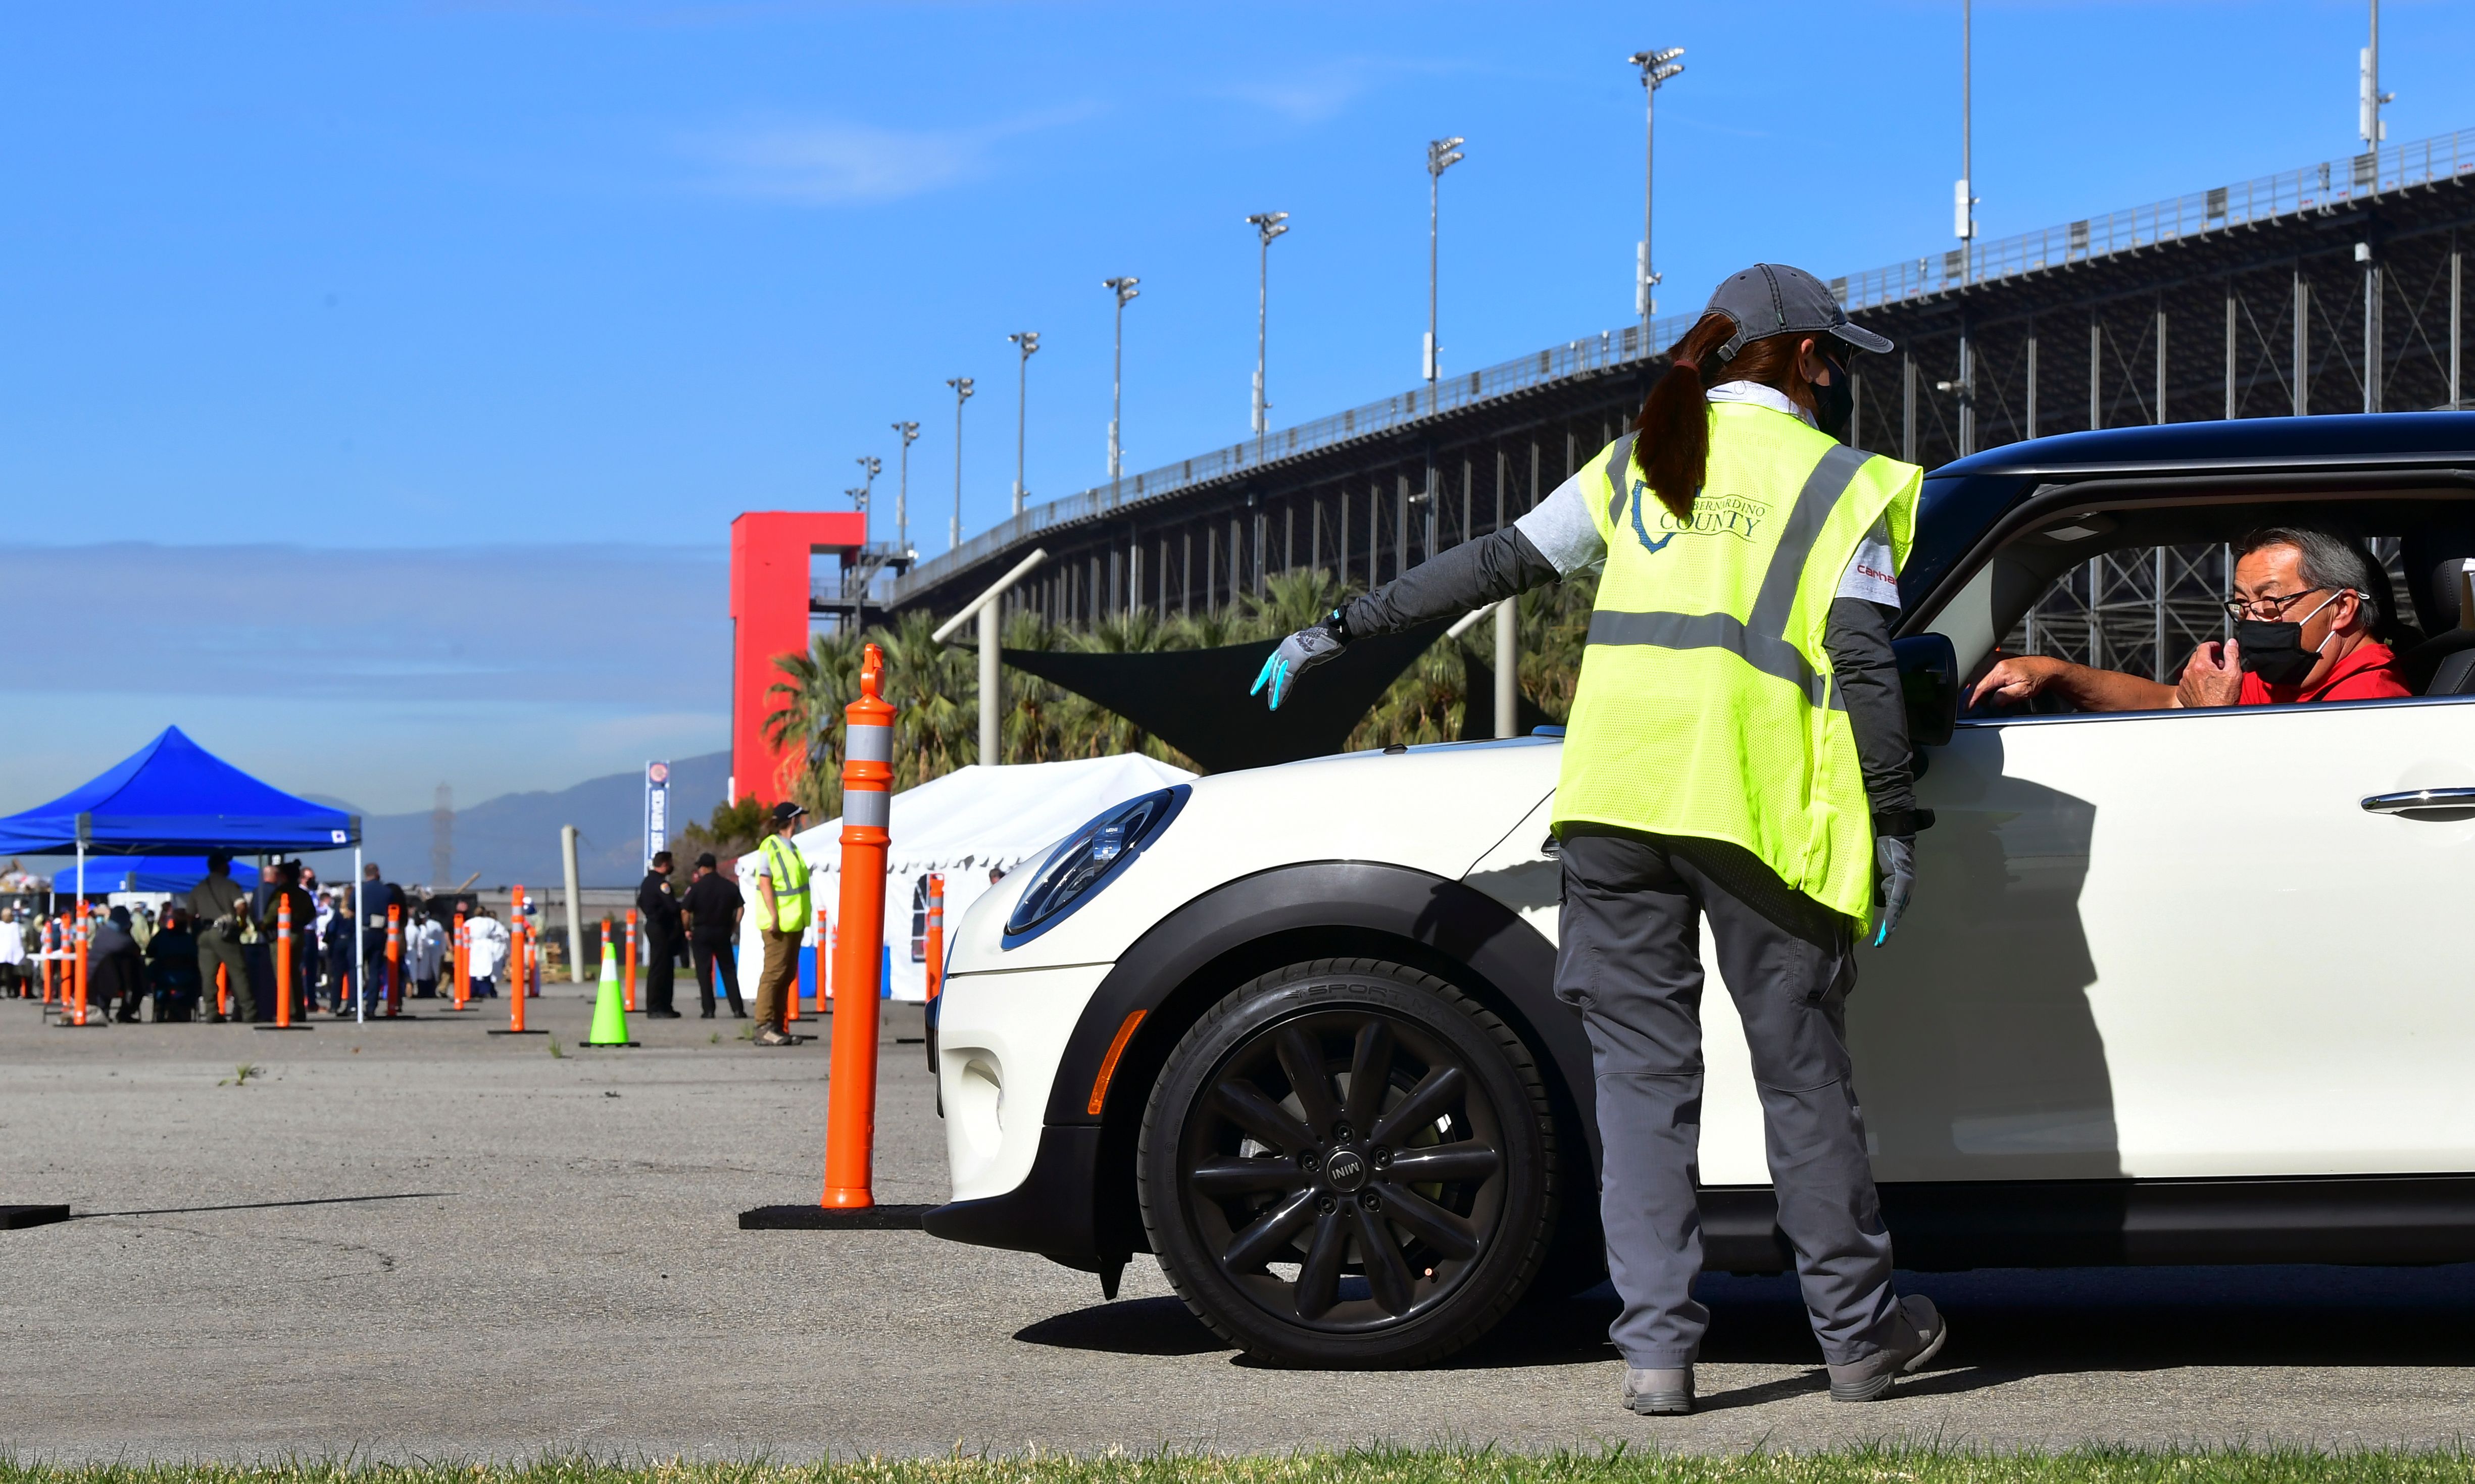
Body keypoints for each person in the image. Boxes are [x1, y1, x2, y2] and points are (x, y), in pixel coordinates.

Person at [1254, 265, 1947, 1414]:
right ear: (1809, 360)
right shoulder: (1842, 484)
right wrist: (1897, 818)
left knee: (1641, 1083)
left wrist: (1342, 626)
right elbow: (1868, 662)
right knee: (1803, 1078)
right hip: (1756, 809)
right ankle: (1862, 1339)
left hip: (1614, 804)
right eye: (1837, 360)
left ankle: (1659, 1355)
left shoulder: (1640, 465)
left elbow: (1493, 562)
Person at [1969, 525, 2413, 712]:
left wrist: (2214, 721)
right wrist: (2056, 672)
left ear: (2342, 609)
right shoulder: (2301, 674)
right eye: (2243, 603)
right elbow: (2169, 701)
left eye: (2271, 601)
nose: (2255, 619)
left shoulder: (2369, 700)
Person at [749, 801, 809, 1046]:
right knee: (774, 974)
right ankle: (764, 1026)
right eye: (799, 818)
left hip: (794, 920)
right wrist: (773, 915)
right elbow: (765, 882)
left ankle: (779, 1025)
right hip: (779, 922)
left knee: (786, 975)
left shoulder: (791, 847)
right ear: (792, 821)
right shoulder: (771, 846)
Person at [187, 852, 256, 1022]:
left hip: (204, 933)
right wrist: (240, 923)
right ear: (221, 866)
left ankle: (211, 1011)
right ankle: (249, 1011)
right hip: (225, 933)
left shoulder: (198, 888)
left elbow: (189, 915)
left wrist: (195, 931)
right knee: (238, 972)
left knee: (208, 975)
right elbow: (241, 907)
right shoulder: (230, 886)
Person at [683, 852, 747, 1019]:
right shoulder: (729, 886)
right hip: (722, 932)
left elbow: (685, 911)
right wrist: (734, 926)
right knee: (728, 970)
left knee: (704, 972)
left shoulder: (696, 888)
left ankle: (709, 1010)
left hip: (702, 932)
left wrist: (687, 928)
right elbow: (741, 907)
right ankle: (738, 1009)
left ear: (703, 868)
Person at [636, 850, 684, 1018]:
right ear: (664, 865)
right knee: (660, 967)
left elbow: (640, 902)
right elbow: (672, 907)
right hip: (661, 928)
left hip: (654, 925)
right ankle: (656, 1007)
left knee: (664, 966)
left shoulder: (647, 882)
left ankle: (664, 1005)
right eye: (670, 864)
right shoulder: (661, 884)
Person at [145, 907, 203, 1021]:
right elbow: (197, 958)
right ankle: (184, 1005)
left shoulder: (162, 936)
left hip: (164, 978)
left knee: (154, 970)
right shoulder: (190, 940)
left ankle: (162, 1005)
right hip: (187, 979)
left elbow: (149, 952)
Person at [359, 863, 402, 1010]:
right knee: (375, 970)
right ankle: (372, 1005)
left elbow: (352, 908)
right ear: (378, 872)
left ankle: (355, 1003)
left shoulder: (360, 890)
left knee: (356, 967)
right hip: (379, 931)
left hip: (363, 931)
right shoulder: (386, 891)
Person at [92, 905, 145, 1022]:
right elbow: (136, 950)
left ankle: (104, 1011)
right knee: (139, 978)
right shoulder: (125, 940)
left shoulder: (101, 933)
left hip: (96, 979)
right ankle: (125, 1013)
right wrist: (129, 932)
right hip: (123, 981)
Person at [465, 906, 507, 997]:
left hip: (473, 946)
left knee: (474, 968)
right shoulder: (490, 922)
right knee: (486, 968)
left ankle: (473, 990)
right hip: (486, 946)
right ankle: (485, 990)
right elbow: (501, 934)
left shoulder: (469, 922)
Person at [410, 908, 444, 998]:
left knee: (424, 974)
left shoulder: (423, 927)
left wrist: (436, 944)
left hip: (425, 953)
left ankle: (426, 992)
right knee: (428, 973)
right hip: (428, 952)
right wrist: (438, 945)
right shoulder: (435, 925)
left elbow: (424, 940)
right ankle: (428, 992)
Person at [0, 908, 23, 998]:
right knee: (10, 974)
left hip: (5, 954)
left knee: (8, 974)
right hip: (10, 954)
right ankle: (9, 992)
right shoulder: (15, 926)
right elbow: (18, 940)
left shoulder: (13, 926)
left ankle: (9, 992)